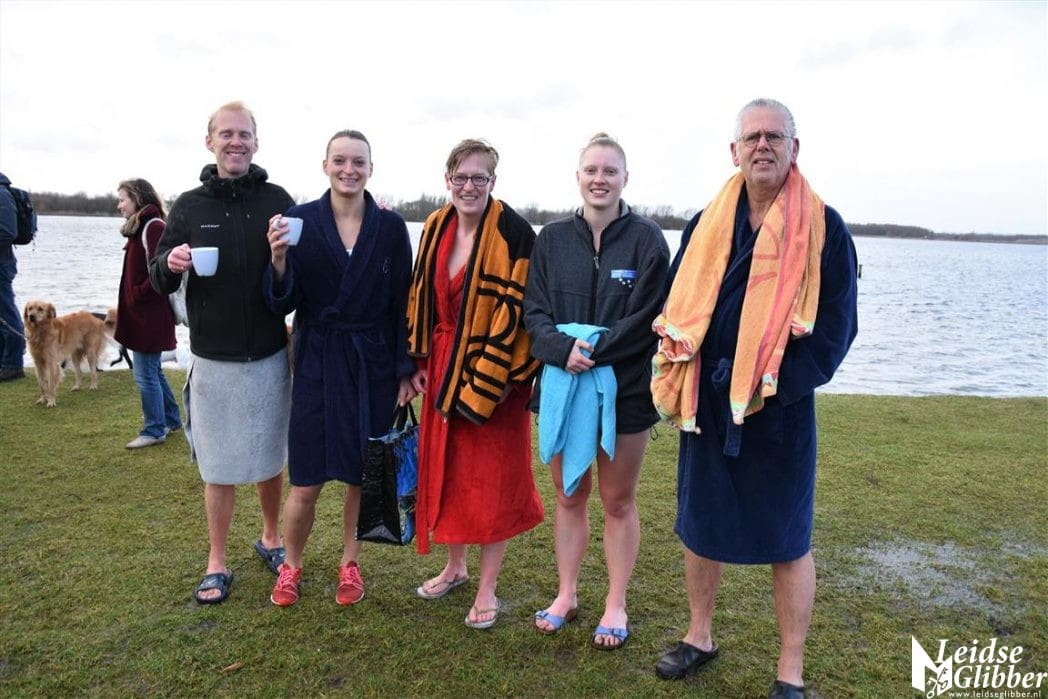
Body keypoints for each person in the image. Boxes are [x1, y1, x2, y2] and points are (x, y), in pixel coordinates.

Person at [650, 99, 858, 696]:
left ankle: (790, 671)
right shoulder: (705, 222)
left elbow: (836, 329)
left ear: (795, 148)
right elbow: (677, 303)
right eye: (752, 137)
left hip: (777, 408)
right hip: (709, 401)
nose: (762, 145)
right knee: (700, 524)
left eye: (774, 136)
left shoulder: (824, 227)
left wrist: (777, 387)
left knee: (788, 539)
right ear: (734, 151)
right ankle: (699, 636)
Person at [524, 133, 670, 650]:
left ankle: (615, 602)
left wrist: (592, 349)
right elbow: (534, 311)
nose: (600, 179)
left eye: (610, 171)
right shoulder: (551, 239)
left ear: (625, 178)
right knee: (569, 495)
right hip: (561, 386)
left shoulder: (648, 240)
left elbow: (651, 317)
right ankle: (566, 593)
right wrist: (561, 349)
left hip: (625, 391)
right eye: (591, 170)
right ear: (578, 177)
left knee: (617, 500)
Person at [263, 130, 416, 607]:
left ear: (371, 168)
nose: (349, 169)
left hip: (371, 364)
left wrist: (404, 368)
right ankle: (291, 565)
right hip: (317, 360)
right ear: (325, 165)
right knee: (306, 478)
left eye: (358, 162)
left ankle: (351, 562)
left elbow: (402, 303)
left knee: (360, 474)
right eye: (340, 160)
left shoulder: (389, 228)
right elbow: (282, 302)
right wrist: (278, 259)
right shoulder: (299, 220)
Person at [150, 101, 294, 605]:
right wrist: (170, 261)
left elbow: (296, 278)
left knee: (272, 455)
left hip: (270, 353)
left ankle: (271, 538)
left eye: (244, 134)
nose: (236, 142)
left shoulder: (277, 199)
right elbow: (157, 277)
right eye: (226, 134)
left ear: (256, 141)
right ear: (209, 141)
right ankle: (216, 560)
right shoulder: (189, 207)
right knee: (217, 465)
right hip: (212, 357)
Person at [406, 138, 544, 629]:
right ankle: (455, 567)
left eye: (479, 177)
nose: (469, 186)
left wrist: (504, 379)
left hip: (494, 374)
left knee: (490, 481)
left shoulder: (515, 234)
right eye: (461, 177)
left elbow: (529, 314)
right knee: (449, 471)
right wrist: (417, 359)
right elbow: (419, 295)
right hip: (443, 366)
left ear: (492, 181)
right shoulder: (435, 225)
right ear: (448, 180)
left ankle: (487, 588)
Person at [115, 178, 182, 449]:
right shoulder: (140, 226)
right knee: (153, 370)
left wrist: (137, 294)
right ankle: (171, 419)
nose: (119, 205)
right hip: (141, 314)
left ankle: (154, 430)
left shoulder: (153, 227)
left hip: (149, 316)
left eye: (123, 199)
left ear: (137, 198)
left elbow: (162, 272)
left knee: (145, 375)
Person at [0, 172, 26, 383]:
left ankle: (13, 365)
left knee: (6, 313)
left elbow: (8, 231)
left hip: (2, 264)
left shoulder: (2, 194)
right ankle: (5, 362)